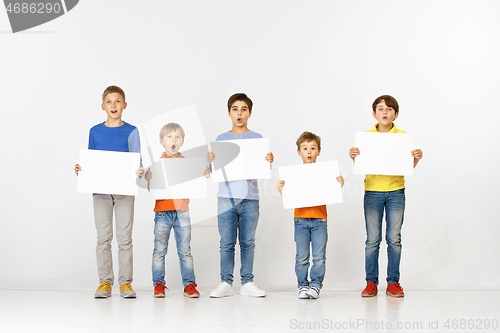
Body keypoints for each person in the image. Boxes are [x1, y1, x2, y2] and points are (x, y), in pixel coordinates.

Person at [349, 95, 423, 298]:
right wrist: (355, 157)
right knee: (372, 240)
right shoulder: (366, 138)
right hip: (372, 191)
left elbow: (406, 168)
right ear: (374, 114)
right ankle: (371, 282)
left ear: (395, 114)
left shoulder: (402, 137)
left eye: (389, 109)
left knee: (394, 239)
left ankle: (393, 282)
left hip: (396, 192)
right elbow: (364, 166)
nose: (384, 112)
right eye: (380, 109)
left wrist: (415, 160)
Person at [74, 85, 144, 298]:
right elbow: (92, 160)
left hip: (124, 191)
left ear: (124, 105)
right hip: (101, 192)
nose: (113, 105)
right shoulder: (95, 131)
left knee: (125, 238)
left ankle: (125, 283)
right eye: (109, 101)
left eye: (117, 101)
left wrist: (140, 170)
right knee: (103, 237)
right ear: (103, 106)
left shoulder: (132, 131)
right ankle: (105, 282)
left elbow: (137, 159)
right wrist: (82, 170)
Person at [208, 93, 273, 298]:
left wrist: (268, 161)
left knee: (247, 242)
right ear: (229, 113)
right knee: (226, 242)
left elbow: (264, 170)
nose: (239, 113)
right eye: (235, 109)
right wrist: (210, 161)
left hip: (250, 198)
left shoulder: (257, 139)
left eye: (243, 109)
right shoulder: (221, 139)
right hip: (226, 198)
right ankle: (225, 282)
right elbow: (213, 171)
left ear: (250, 113)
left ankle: (247, 282)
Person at [277, 131, 344, 299]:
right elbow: (290, 197)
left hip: (320, 220)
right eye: (305, 148)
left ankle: (315, 285)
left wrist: (338, 185)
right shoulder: (293, 175)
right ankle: (302, 285)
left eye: (313, 148)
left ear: (319, 151)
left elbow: (331, 192)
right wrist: (282, 190)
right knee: (301, 257)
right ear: (299, 152)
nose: (309, 152)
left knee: (319, 257)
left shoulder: (326, 173)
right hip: (300, 220)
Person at [145, 122, 202, 298]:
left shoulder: (188, 164)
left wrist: (203, 174)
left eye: (177, 136)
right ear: (162, 141)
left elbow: (196, 185)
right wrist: (149, 179)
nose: (173, 140)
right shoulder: (157, 164)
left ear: (182, 141)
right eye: (169, 136)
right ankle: (159, 285)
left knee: (185, 251)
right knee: (159, 250)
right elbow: (151, 189)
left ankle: (189, 285)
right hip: (162, 212)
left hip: (182, 212)